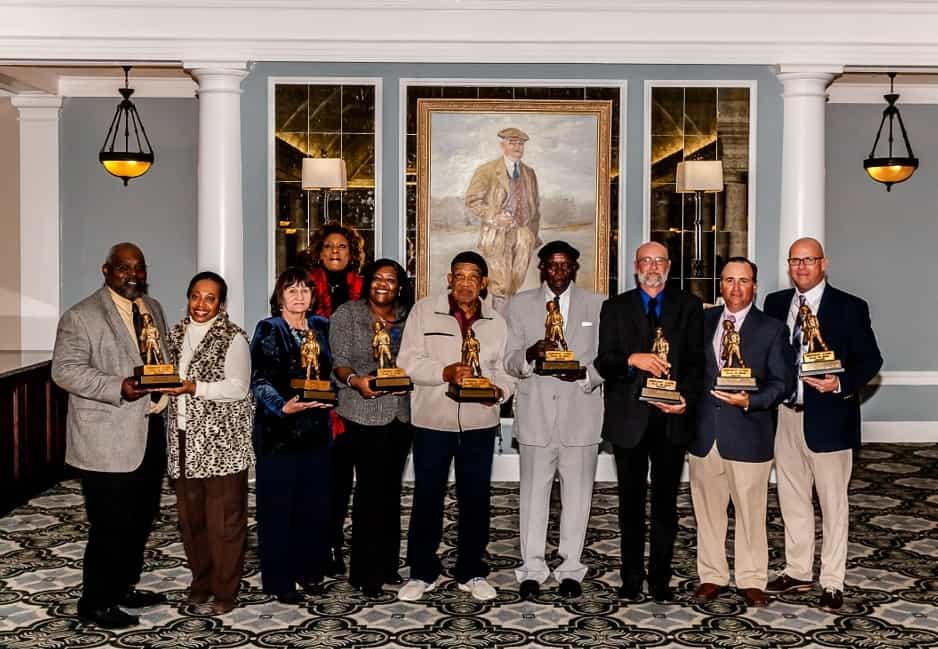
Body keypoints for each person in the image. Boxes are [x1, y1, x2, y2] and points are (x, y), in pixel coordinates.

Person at [51, 242, 169, 629]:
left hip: (149, 431)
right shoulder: (81, 315)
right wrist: (116, 386)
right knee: (110, 523)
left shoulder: (153, 309)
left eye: (138, 267)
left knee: (140, 518)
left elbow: (160, 361)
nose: (132, 275)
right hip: (105, 437)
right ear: (106, 271)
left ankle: (124, 586)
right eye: (123, 268)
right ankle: (95, 601)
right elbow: (64, 370)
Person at [763, 237, 883, 611]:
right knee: (792, 499)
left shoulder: (849, 307)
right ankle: (798, 571)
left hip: (830, 417)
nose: (801, 267)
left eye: (809, 260)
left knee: (833, 504)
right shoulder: (776, 303)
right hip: (786, 416)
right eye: (795, 260)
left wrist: (841, 383)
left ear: (823, 263)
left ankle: (832, 580)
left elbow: (871, 360)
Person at [397, 251, 516, 602]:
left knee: (476, 498)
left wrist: (499, 391)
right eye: (459, 276)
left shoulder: (496, 320)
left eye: (473, 277)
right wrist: (444, 372)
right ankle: (422, 571)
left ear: (483, 283)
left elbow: (503, 368)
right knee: (427, 497)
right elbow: (407, 361)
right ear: (449, 279)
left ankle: (472, 570)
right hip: (433, 420)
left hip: (480, 422)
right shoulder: (424, 310)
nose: (465, 283)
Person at [595, 241, 704, 602]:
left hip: (671, 421)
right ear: (635, 265)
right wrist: (632, 359)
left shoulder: (689, 306)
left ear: (669, 265)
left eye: (660, 260)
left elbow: (695, 363)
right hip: (630, 421)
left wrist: (684, 399)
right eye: (647, 260)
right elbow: (604, 362)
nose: (653, 267)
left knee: (665, 506)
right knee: (630, 505)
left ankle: (660, 579)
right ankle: (630, 578)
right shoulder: (615, 307)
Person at [689, 257, 793, 608]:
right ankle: (712, 575)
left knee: (751, 513)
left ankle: (751, 579)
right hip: (705, 435)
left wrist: (750, 401)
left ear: (754, 286)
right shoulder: (702, 322)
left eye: (743, 281)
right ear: (720, 284)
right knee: (707, 512)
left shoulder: (772, 329)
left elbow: (782, 383)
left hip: (749, 435)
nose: (735, 288)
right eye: (729, 280)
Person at [504, 240, 605, 600]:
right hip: (536, 417)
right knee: (532, 496)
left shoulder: (598, 304)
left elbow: (606, 360)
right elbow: (509, 361)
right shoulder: (519, 305)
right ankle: (531, 569)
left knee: (578, 498)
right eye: (552, 265)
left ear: (575, 268)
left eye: (565, 265)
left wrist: (584, 375)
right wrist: (531, 354)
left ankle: (570, 569)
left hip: (581, 415)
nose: (558, 272)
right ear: (541, 268)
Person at [160, 271, 255, 615]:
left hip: (221, 444)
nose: (201, 304)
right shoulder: (174, 333)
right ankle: (201, 580)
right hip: (183, 439)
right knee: (192, 519)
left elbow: (238, 387)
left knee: (225, 521)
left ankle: (225, 590)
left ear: (221, 303)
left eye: (210, 298)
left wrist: (192, 387)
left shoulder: (234, 338)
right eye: (196, 296)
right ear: (188, 297)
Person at [329, 259, 414, 599]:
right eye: (377, 278)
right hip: (362, 412)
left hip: (401, 415)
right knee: (368, 493)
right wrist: (356, 381)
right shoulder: (348, 314)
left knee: (391, 492)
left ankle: (389, 563)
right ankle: (365, 573)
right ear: (367, 283)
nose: (383, 284)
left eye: (390, 280)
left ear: (399, 286)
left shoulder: (410, 318)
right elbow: (339, 362)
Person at [250, 267, 334, 604]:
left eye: (305, 290)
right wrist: (281, 406)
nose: (299, 296)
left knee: (314, 507)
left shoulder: (322, 327)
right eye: (291, 290)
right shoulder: (269, 328)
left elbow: (332, 371)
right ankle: (279, 579)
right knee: (278, 508)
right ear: (280, 296)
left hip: (316, 431)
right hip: (279, 432)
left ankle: (309, 571)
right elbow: (258, 378)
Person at [301, 222, 366, 577]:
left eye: (342, 246)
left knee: (343, 479)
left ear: (351, 252)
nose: (336, 251)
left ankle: (337, 545)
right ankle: (317, 543)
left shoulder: (364, 287)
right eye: (329, 246)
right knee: (316, 478)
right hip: (316, 393)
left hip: (356, 394)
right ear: (320, 251)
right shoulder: (303, 286)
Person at [465, 127, 541, 309]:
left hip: (524, 235)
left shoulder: (529, 173)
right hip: (497, 235)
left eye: (521, 144)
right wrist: (494, 216)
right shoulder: (487, 170)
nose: (517, 147)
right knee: (500, 286)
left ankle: (510, 329)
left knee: (515, 284)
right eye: (512, 143)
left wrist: (533, 235)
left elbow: (535, 208)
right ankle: (499, 329)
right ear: (502, 145)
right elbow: (472, 200)